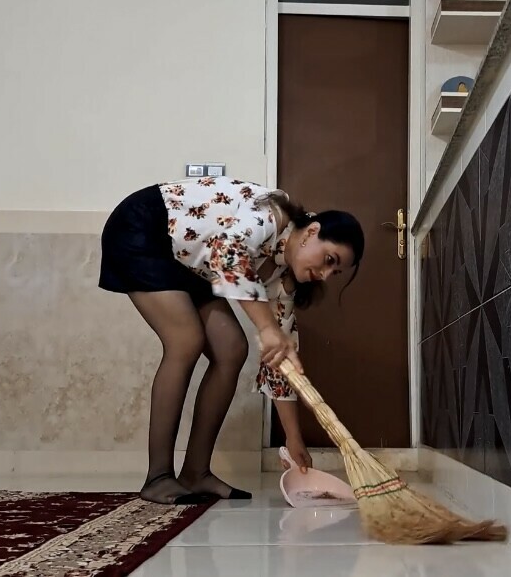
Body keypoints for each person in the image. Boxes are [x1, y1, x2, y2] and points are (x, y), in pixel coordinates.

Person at [98, 176, 365, 505]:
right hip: (144, 228)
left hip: (188, 262)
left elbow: (279, 364)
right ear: (312, 232)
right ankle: (158, 477)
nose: (324, 275)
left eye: (334, 273)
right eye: (329, 260)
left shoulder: (283, 283)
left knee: (232, 349)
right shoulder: (272, 214)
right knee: (185, 340)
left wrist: (293, 438)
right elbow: (228, 253)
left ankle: (196, 473)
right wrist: (267, 327)